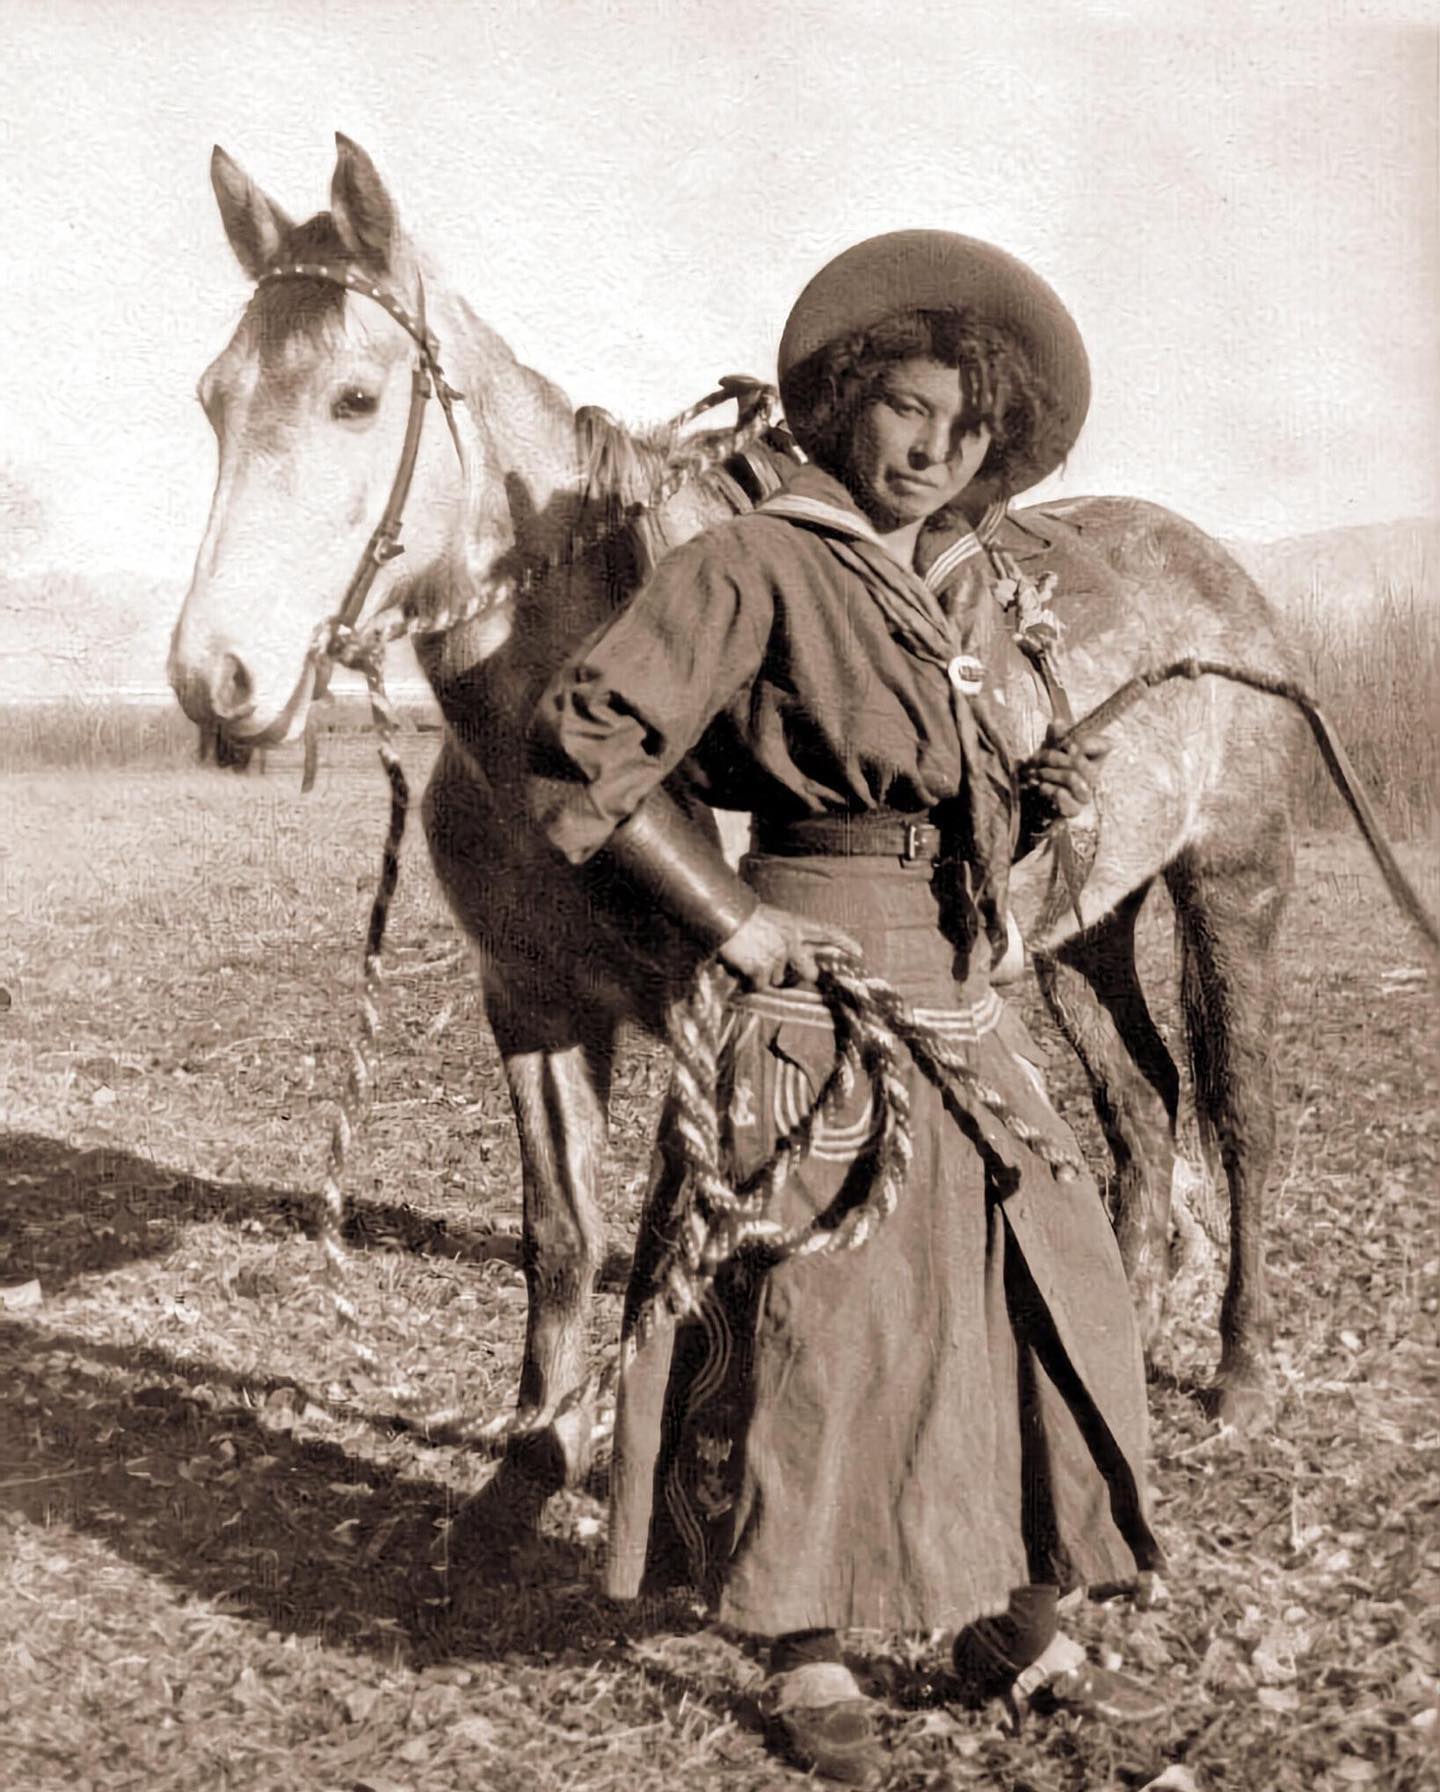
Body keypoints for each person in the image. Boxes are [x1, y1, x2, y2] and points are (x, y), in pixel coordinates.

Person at [525, 231, 1165, 1786]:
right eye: (906, 410)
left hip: (958, 992)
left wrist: (1026, 798)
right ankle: (805, 1641)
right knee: (823, 1326)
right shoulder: (755, 560)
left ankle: (1019, 1613)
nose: (932, 446)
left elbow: (949, 794)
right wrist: (738, 923)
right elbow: (581, 751)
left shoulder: (966, 592)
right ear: (844, 404)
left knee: (1043, 1285)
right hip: (817, 996)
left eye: (965, 427)